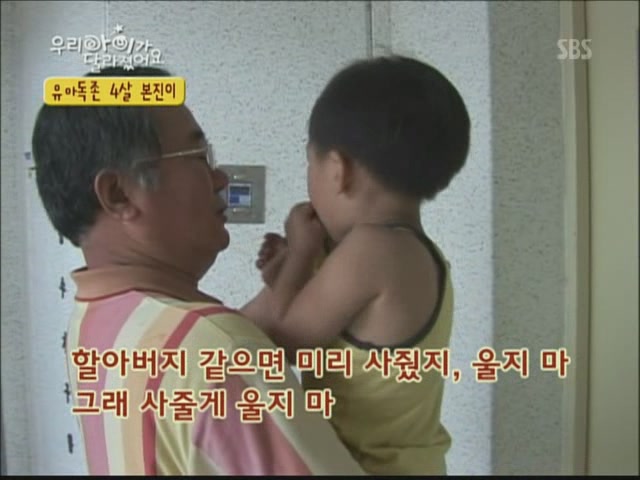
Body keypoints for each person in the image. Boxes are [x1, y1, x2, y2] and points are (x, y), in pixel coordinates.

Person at [31, 66, 366, 476]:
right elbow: (221, 345)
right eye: (197, 158)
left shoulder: (98, 320)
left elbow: (230, 335)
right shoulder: (215, 353)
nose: (220, 177)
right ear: (119, 194)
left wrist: (298, 261)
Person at [249, 55, 471, 475]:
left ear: (339, 170)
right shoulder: (408, 253)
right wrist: (292, 272)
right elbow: (283, 324)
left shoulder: (374, 250)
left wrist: (300, 254)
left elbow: (284, 342)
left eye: (310, 161)